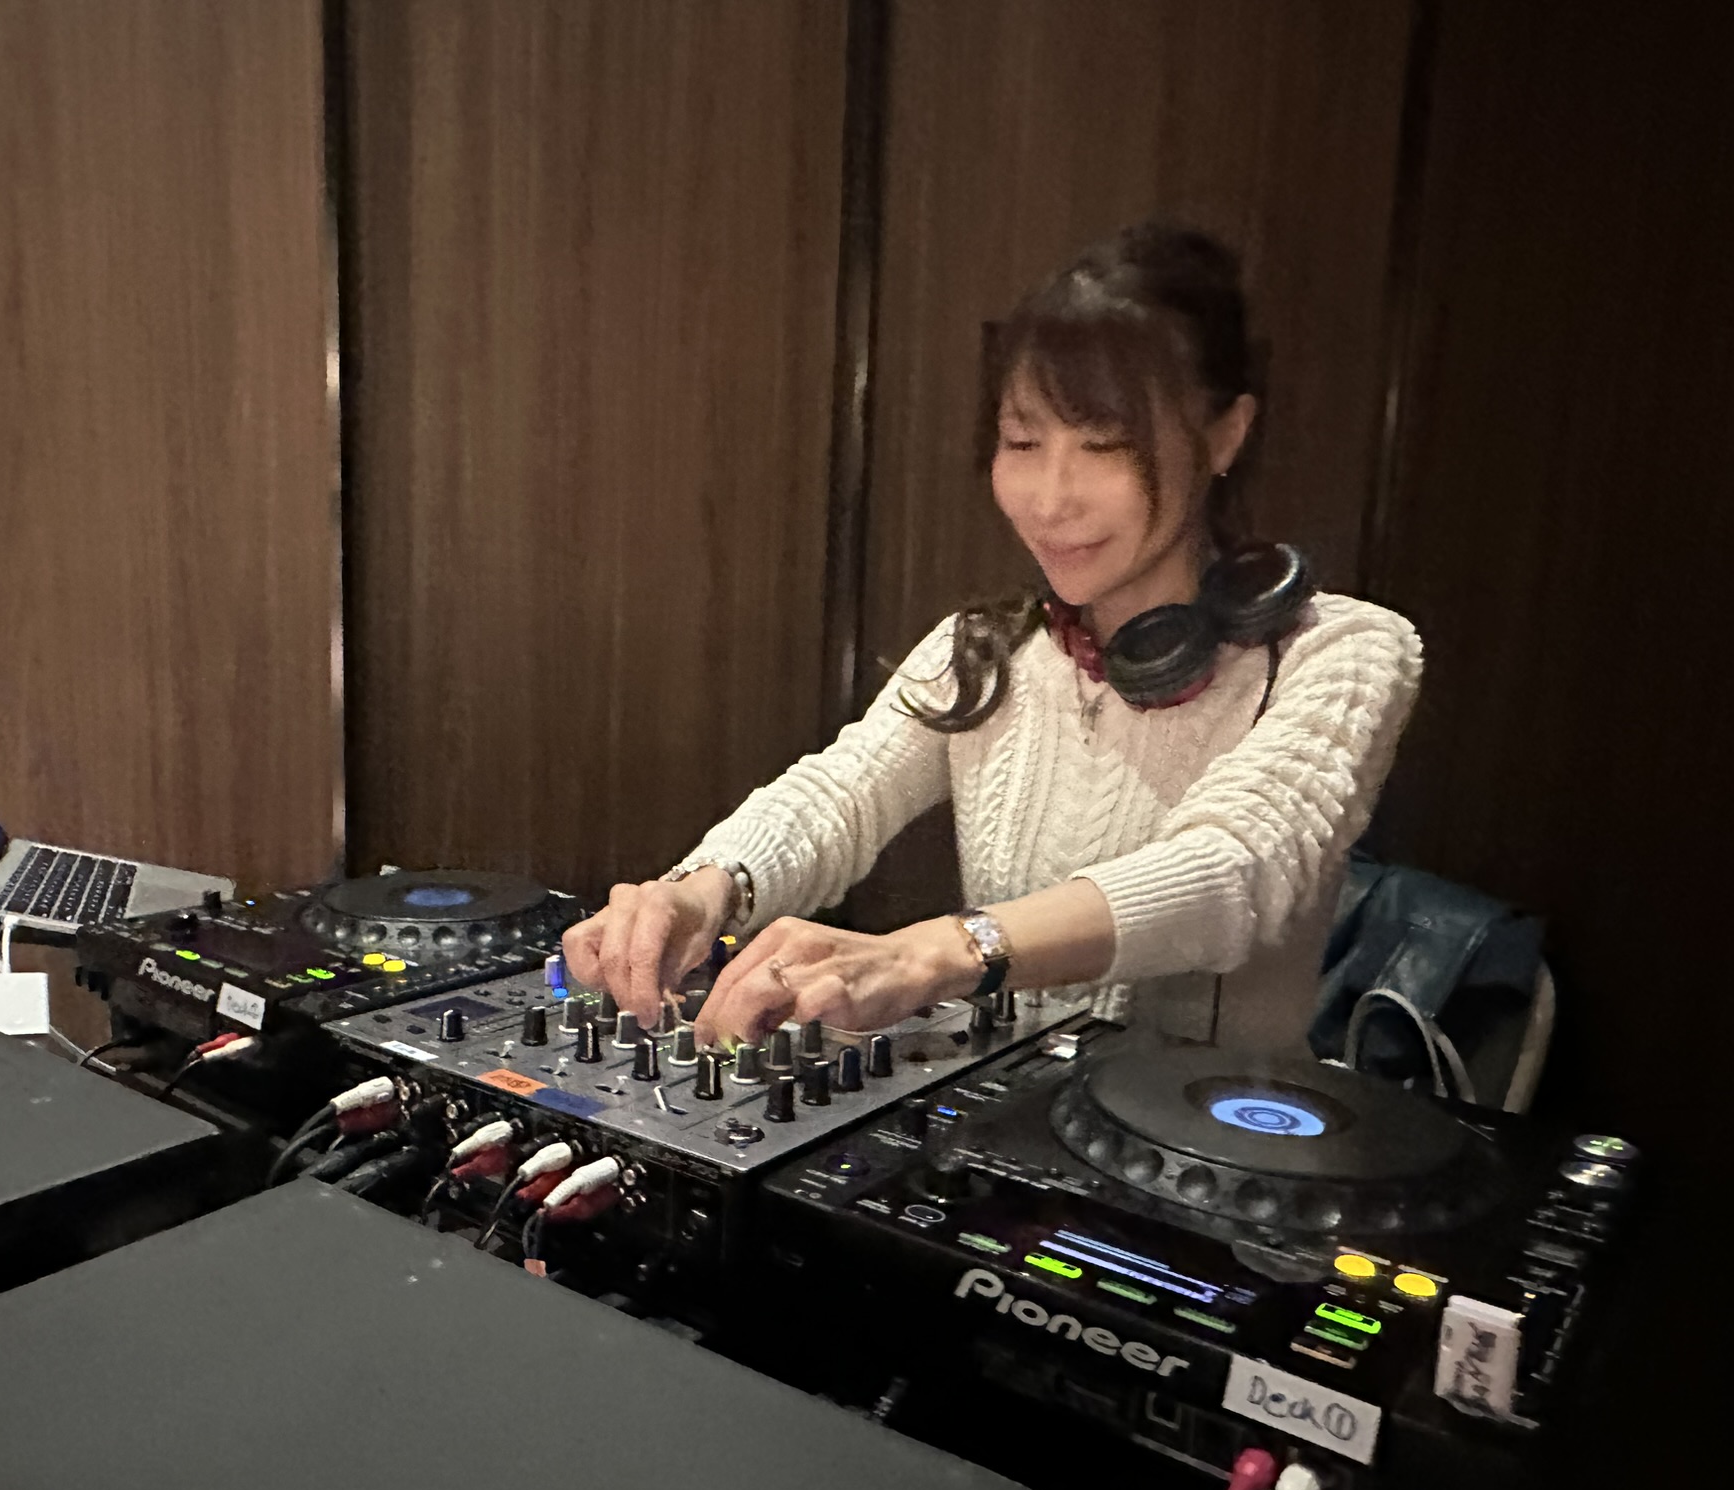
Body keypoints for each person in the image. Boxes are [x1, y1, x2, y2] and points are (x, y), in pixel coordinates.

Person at [562, 220, 1422, 1056]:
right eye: (1022, 441)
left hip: (1208, 1137)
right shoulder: (986, 650)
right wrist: (701, 890)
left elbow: (1231, 870)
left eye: (1106, 446)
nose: (1050, 498)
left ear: (1224, 434)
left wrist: (933, 953)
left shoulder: (1340, 652)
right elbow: (838, 796)